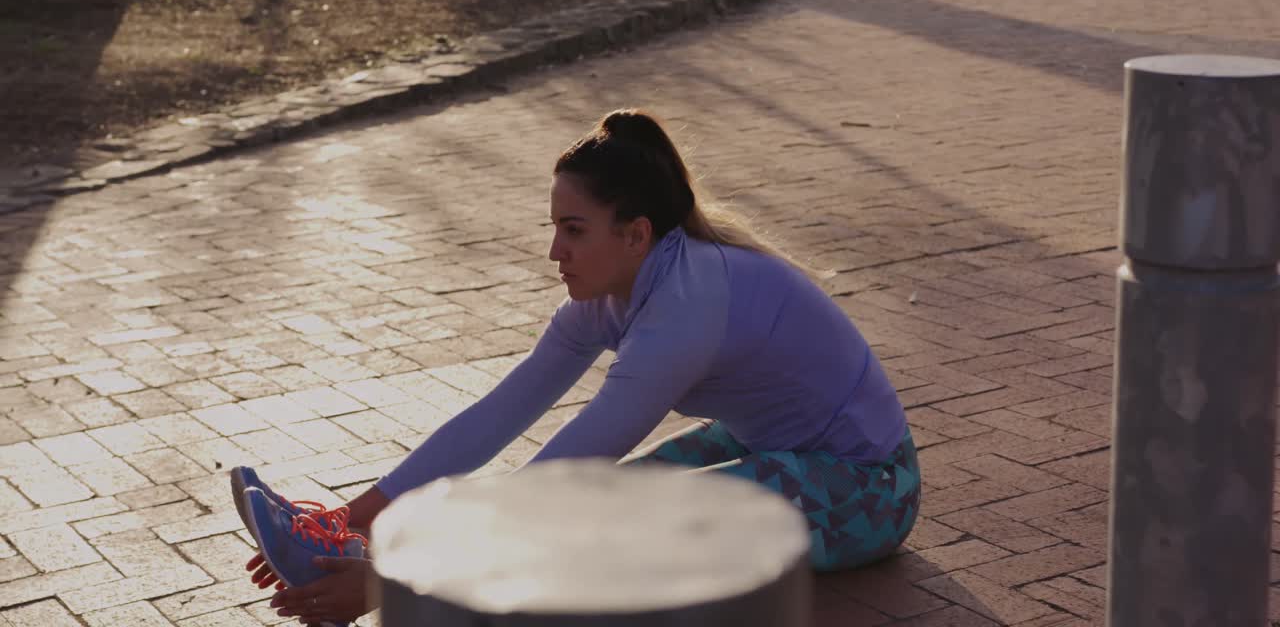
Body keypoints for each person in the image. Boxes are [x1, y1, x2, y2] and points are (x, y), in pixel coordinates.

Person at [231, 109, 921, 626]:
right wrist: (351, 521)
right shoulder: (614, 293)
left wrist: (393, 581)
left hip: (872, 488)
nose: (556, 251)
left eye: (574, 230)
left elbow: (570, 472)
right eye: (554, 228)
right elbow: (495, 416)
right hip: (776, 448)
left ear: (636, 233)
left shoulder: (688, 302)